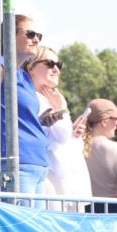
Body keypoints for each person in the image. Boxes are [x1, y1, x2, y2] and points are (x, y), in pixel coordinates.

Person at [24, 46, 91, 210]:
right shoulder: (33, 98)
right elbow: (61, 135)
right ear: (31, 67)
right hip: (51, 182)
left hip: (63, 183)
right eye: (49, 63)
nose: (56, 69)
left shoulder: (49, 99)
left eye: (58, 65)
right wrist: (63, 109)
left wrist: (74, 135)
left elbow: (63, 139)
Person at [1, 14, 49, 195]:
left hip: (37, 164)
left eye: (38, 36)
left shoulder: (23, 75)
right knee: (21, 222)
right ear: (9, 35)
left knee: (33, 222)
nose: (36, 39)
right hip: (18, 164)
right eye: (30, 34)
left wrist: (40, 121)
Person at [83, 98, 117, 213]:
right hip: (110, 217)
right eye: (115, 118)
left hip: (81, 216)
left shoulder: (74, 147)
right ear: (104, 122)